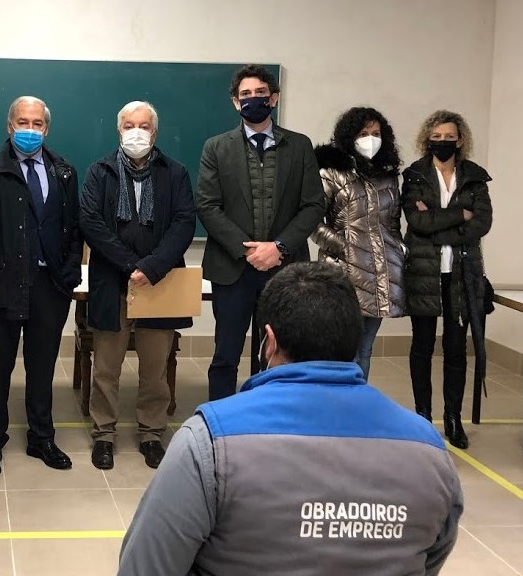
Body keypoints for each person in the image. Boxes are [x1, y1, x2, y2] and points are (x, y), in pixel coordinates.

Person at [119, 262, 463, 576]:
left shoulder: (208, 442)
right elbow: (430, 558)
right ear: (355, 339)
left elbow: (145, 567)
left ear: (268, 342)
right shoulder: (430, 451)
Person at [0, 96, 82, 477]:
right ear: (10, 126)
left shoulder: (64, 171)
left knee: (42, 368)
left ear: (47, 128)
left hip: (50, 287)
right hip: (2, 285)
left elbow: (74, 229)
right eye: (23, 123)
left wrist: (69, 277)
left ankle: (41, 438)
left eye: (37, 123)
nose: (30, 130)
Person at [196, 64, 325, 401]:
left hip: (285, 271)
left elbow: (313, 205)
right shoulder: (216, 147)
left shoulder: (299, 146)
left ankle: (267, 417)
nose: (253, 99)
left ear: (274, 98)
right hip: (232, 269)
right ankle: (220, 418)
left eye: (260, 93)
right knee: (225, 355)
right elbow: (208, 206)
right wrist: (249, 251)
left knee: (276, 356)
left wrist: (278, 247)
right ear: (235, 102)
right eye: (246, 95)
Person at [79, 101, 196, 470]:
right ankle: (104, 433)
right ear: (119, 130)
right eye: (129, 125)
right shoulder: (99, 171)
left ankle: (151, 434)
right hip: (111, 281)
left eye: (144, 126)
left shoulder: (174, 173)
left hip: (159, 282)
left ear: (154, 132)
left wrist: (152, 267)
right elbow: (91, 222)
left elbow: (184, 223)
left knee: (155, 368)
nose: (136, 132)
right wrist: (131, 266)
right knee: (106, 367)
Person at [402, 110, 492, 449]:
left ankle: (453, 418)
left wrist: (437, 224)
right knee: (422, 346)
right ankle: (422, 418)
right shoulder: (415, 175)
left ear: (460, 139)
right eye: (436, 137)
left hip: (462, 274)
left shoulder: (475, 177)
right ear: (427, 140)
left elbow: (481, 223)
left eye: (449, 137)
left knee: (456, 349)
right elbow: (416, 221)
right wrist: (459, 216)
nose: (442, 142)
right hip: (424, 272)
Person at [312, 107, 406, 380]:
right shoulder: (331, 172)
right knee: (342, 350)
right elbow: (312, 222)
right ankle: (335, 402)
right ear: (349, 136)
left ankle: (357, 401)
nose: (370, 139)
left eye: (376, 133)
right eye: (363, 133)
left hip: (381, 273)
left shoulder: (387, 175)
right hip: (342, 272)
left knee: (365, 350)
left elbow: (392, 223)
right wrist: (345, 248)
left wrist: (399, 250)